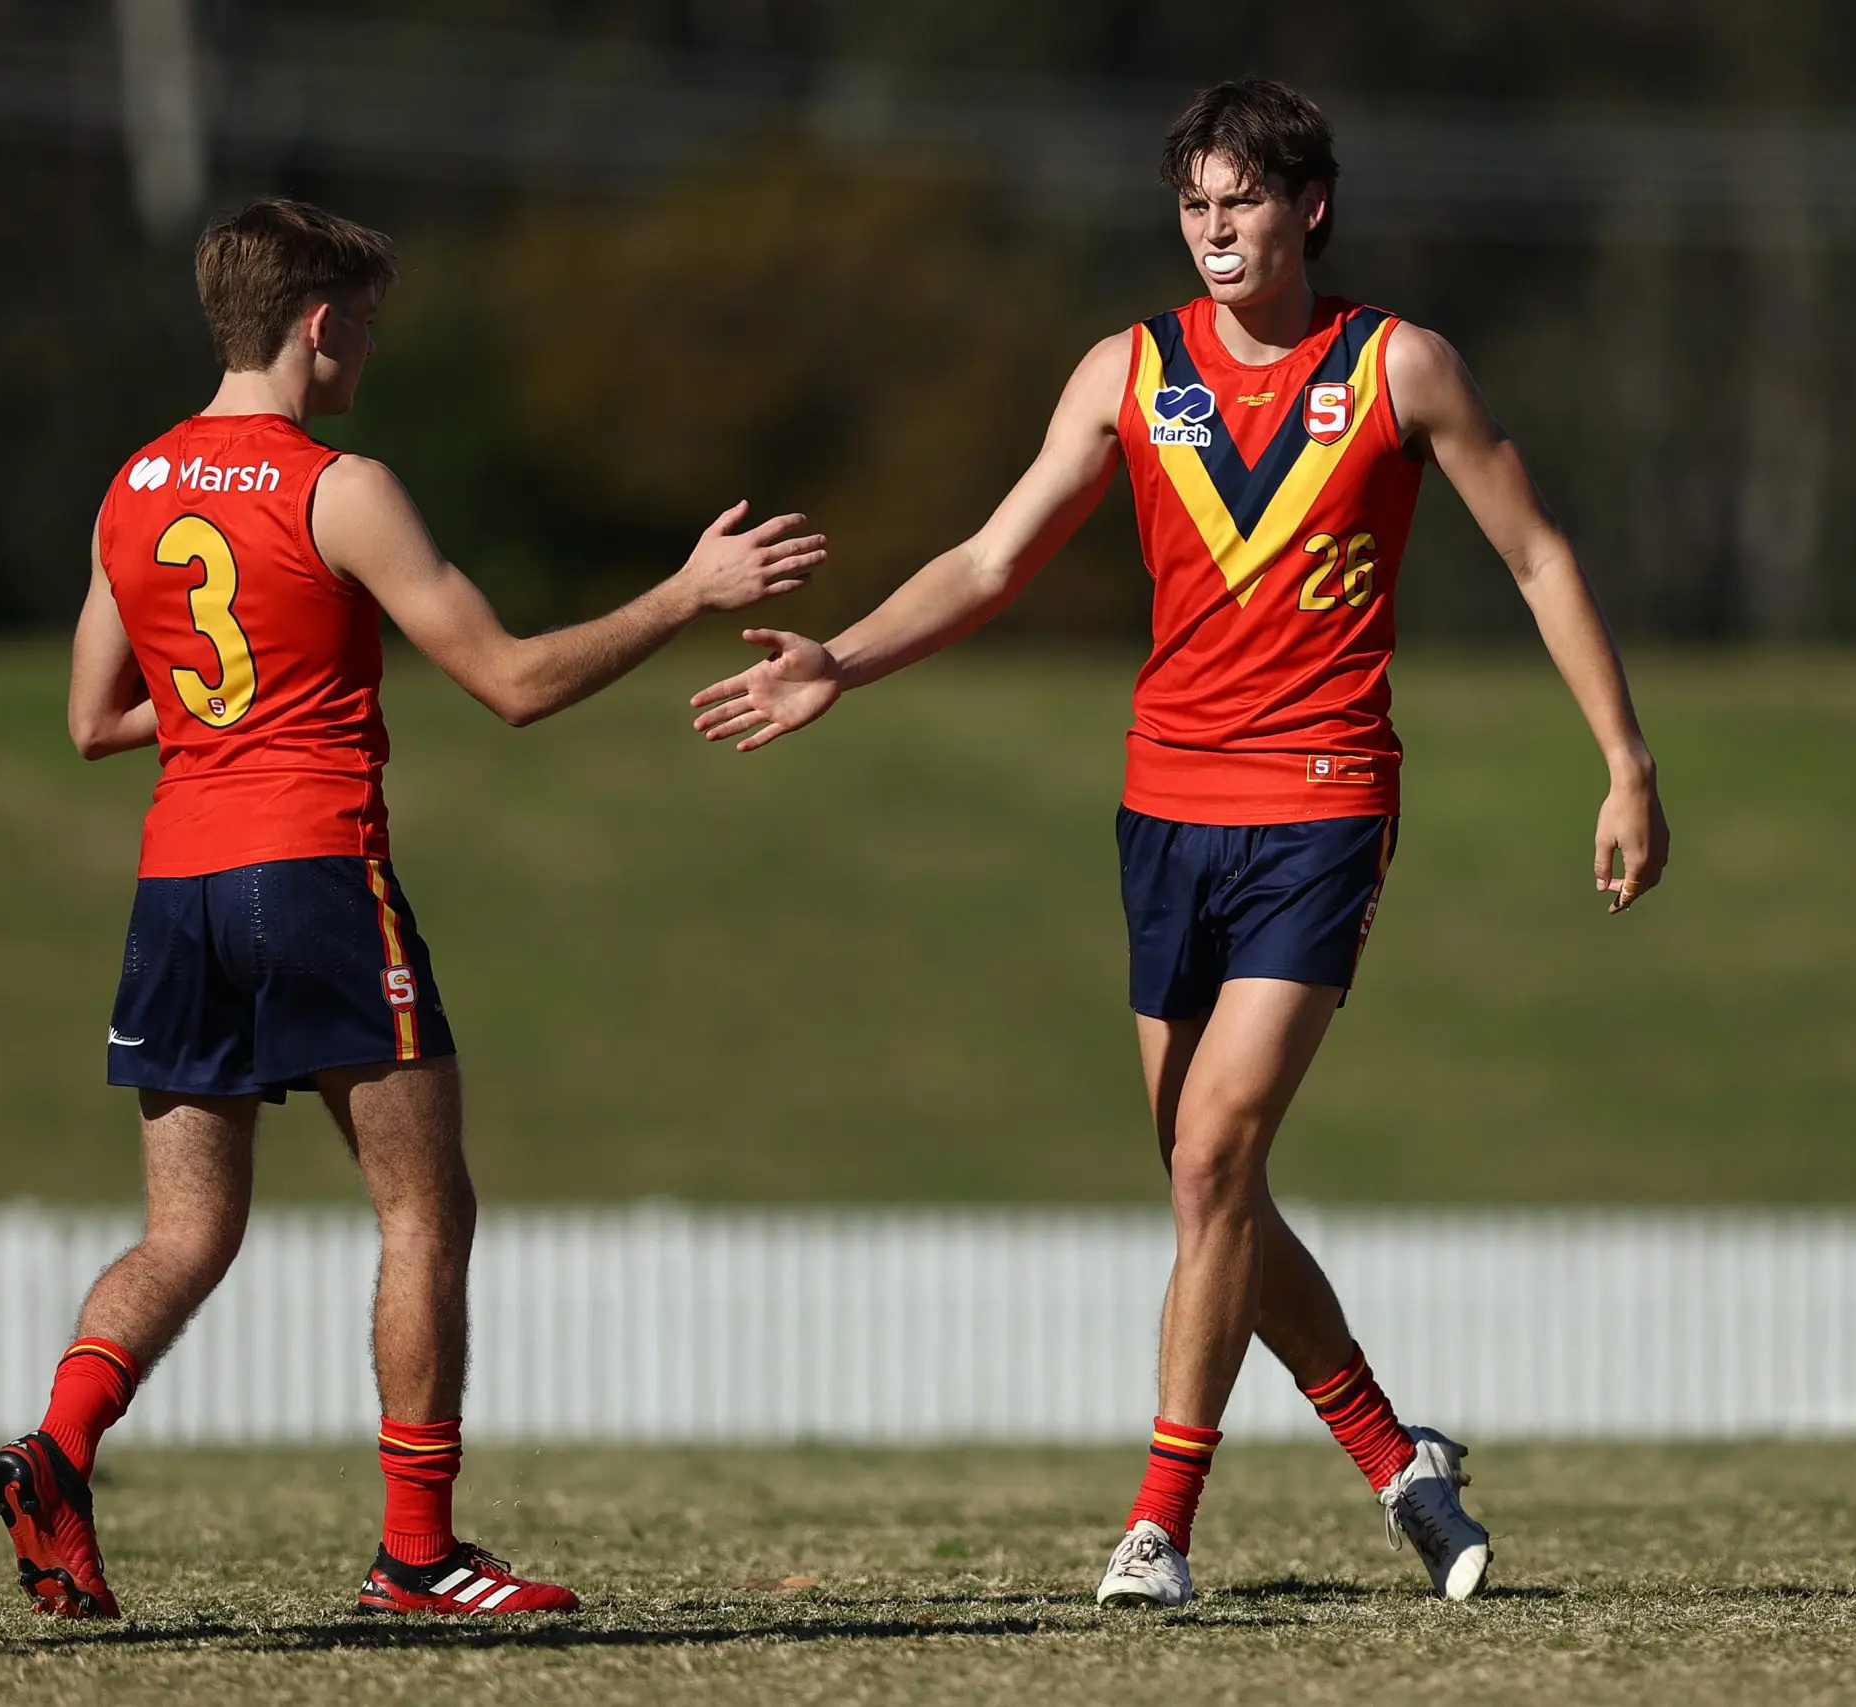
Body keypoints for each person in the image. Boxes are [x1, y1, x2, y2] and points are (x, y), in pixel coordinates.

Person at [690, 79, 1669, 1608]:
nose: (1216, 231)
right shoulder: (1128, 372)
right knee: (1210, 1183)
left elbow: (1538, 556)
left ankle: (1159, 1524)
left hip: (1324, 803)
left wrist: (1625, 762)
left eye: (1245, 202)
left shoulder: (1399, 365)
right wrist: (842, 661)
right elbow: (994, 556)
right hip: (1166, 807)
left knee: (1215, 1154)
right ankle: (1399, 1461)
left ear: (1310, 208)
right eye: (1195, 206)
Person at [0, 197, 823, 1619]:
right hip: (312, 872)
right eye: (363, 327)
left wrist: (225, 707)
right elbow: (513, 681)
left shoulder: (130, 487)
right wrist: (687, 589)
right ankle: (416, 1554)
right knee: (424, 1210)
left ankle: (56, 1452)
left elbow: (90, 716)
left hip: (180, 883)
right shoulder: (341, 485)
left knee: (188, 1231)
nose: (366, 354)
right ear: (320, 325)